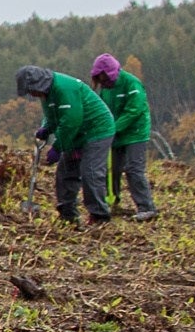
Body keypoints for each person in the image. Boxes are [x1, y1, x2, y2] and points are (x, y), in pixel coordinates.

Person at [16, 65, 114, 225]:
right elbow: (52, 115)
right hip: (76, 132)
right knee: (65, 173)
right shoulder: (46, 94)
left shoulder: (64, 88)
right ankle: (68, 214)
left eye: (31, 91)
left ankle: (99, 216)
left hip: (97, 130)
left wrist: (57, 147)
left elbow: (71, 121)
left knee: (90, 171)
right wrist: (46, 128)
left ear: (38, 84)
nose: (32, 95)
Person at [91, 54, 158, 221]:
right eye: (101, 80)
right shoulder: (105, 89)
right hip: (114, 133)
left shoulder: (131, 83)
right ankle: (113, 202)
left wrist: (114, 127)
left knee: (134, 169)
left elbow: (134, 110)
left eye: (105, 79)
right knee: (111, 169)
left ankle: (146, 207)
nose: (104, 83)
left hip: (135, 133)